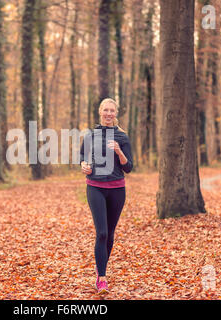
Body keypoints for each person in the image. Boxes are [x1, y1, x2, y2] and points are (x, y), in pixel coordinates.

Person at [80, 98, 133, 294]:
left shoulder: (122, 137)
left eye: (112, 110)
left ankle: (100, 265)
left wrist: (119, 152)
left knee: (110, 234)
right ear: (100, 111)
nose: (109, 113)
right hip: (95, 187)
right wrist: (83, 166)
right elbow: (82, 157)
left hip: (117, 189)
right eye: (106, 110)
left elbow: (128, 167)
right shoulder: (90, 135)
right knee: (101, 233)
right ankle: (102, 277)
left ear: (115, 113)